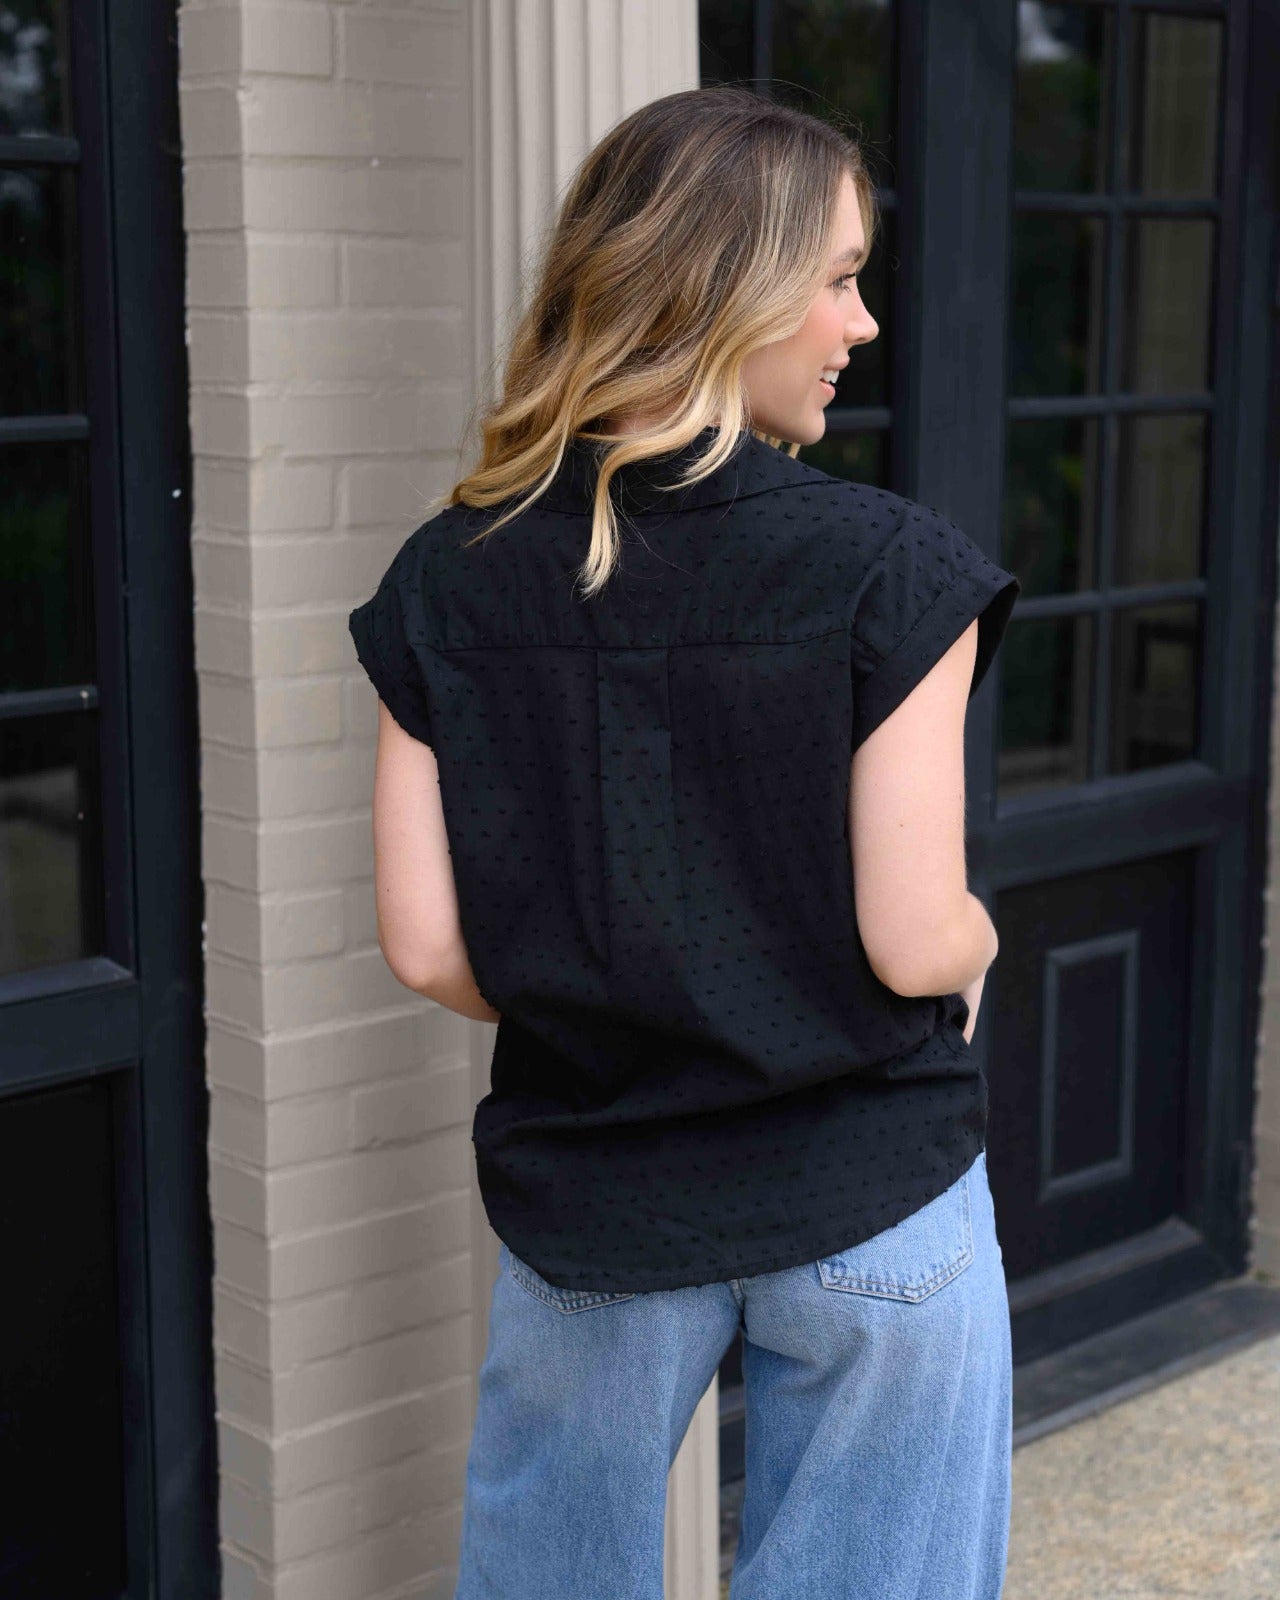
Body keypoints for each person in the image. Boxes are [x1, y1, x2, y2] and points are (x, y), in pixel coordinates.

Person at [348, 83, 1021, 1600]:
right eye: (838, 280)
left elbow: (429, 947)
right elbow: (916, 934)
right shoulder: (887, 567)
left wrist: (615, 987)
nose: (860, 325)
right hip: (865, 1184)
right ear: (731, 289)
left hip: (595, 1196)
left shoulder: (447, 579)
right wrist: (982, 943)